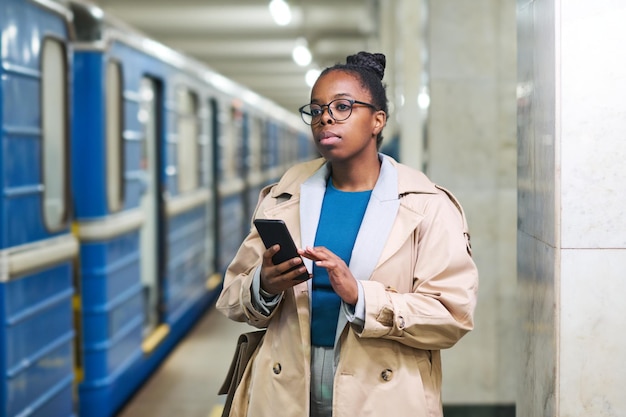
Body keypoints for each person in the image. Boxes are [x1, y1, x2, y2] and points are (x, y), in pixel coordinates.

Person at [216, 51, 478, 417]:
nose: (325, 118)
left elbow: (453, 315)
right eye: (317, 109)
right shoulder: (284, 197)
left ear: (377, 120)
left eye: (342, 107)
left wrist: (362, 298)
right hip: (285, 387)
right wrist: (265, 285)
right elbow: (231, 297)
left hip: (381, 393)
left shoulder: (428, 206)